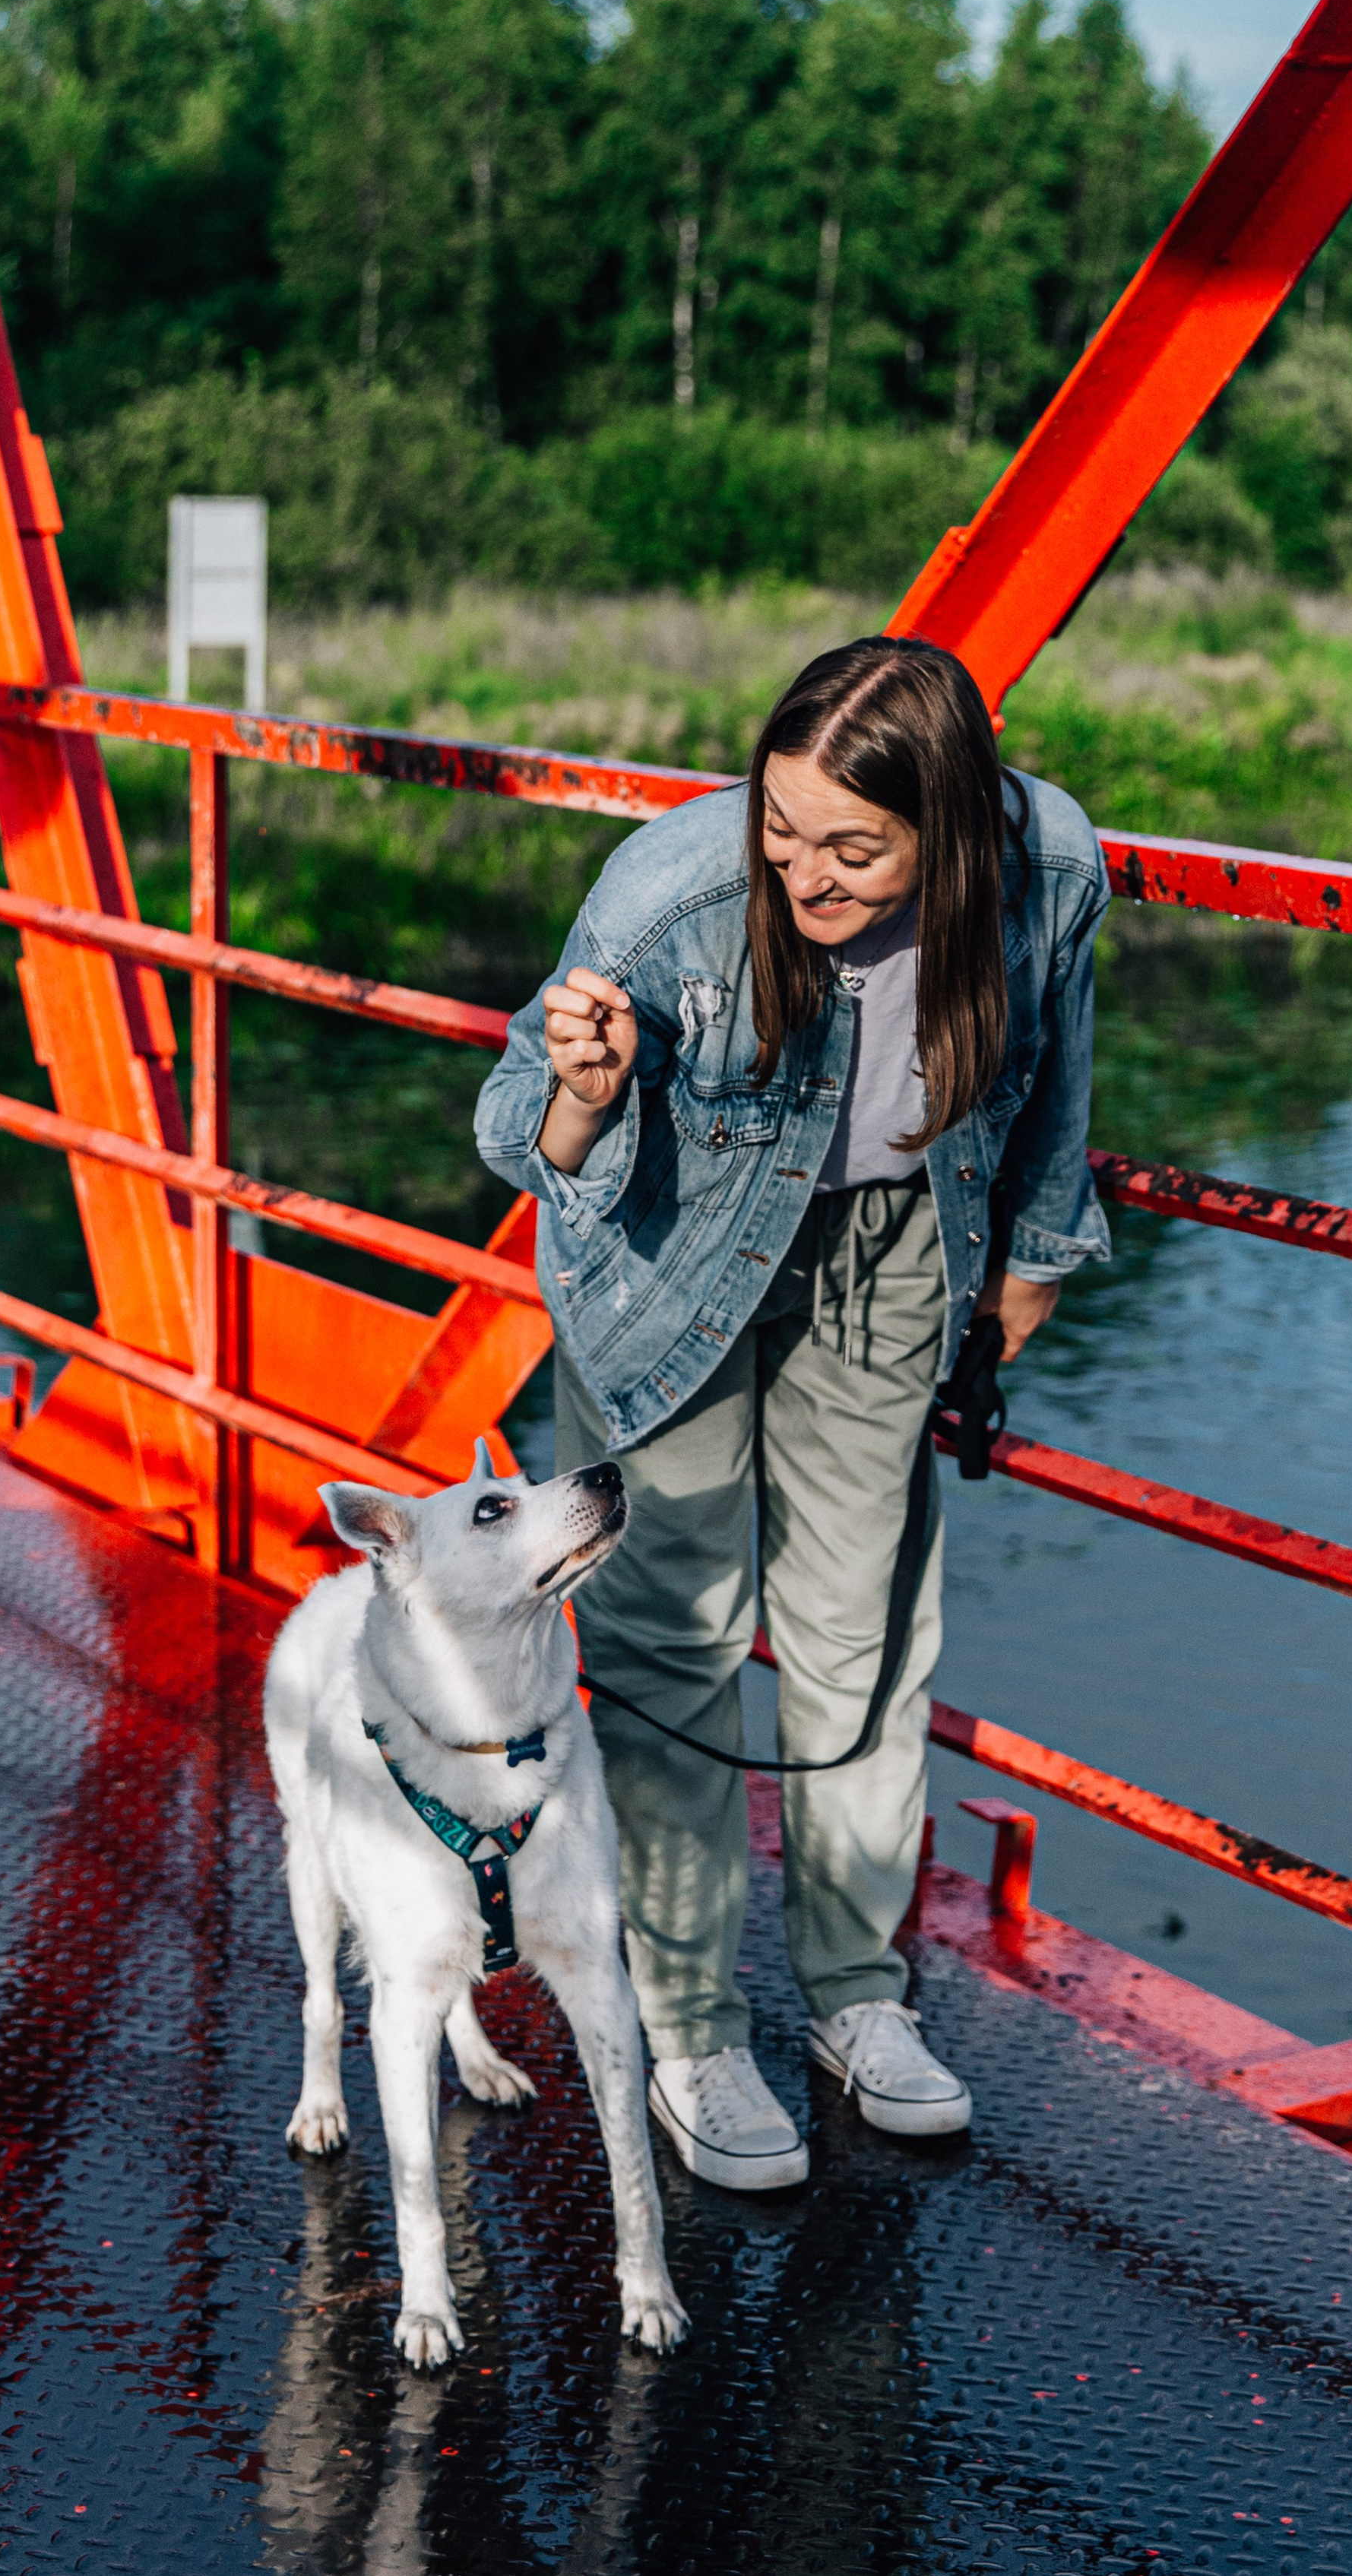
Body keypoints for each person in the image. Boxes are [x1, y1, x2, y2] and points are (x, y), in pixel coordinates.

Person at [475, 635, 1109, 2191]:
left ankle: (855, 2001)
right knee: (669, 1638)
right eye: (780, 828)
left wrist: (1031, 1248)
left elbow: (1056, 1063)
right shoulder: (665, 894)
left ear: (948, 830)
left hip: (897, 1251)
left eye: (851, 847)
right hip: (668, 1262)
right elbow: (518, 1136)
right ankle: (687, 2024)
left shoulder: (1050, 864)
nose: (803, 874)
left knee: (861, 1632)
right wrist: (583, 1083)